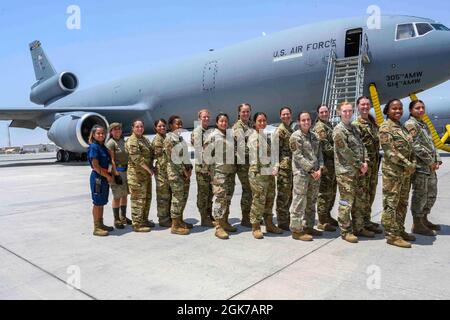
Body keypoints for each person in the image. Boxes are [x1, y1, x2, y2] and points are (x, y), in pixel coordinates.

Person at [379, 99, 416, 248]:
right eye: (394, 108)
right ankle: (391, 235)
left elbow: (410, 147)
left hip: (405, 173)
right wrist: (408, 163)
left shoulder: (402, 127)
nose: (398, 111)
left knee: (402, 202)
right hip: (393, 173)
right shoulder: (385, 127)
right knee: (391, 203)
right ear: (387, 110)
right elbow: (389, 151)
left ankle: (400, 229)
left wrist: (412, 162)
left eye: (400, 108)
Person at [333, 102, 371, 243]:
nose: (348, 113)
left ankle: (358, 227)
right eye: (345, 111)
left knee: (359, 201)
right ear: (339, 113)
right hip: (346, 173)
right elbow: (345, 152)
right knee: (346, 202)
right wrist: (360, 164)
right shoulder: (338, 130)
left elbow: (362, 146)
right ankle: (345, 231)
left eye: (350, 110)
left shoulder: (354, 128)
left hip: (358, 171)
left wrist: (365, 160)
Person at [404, 99, 441, 236]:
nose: (420, 110)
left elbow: (432, 143)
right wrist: (430, 160)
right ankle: (417, 224)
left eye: (422, 107)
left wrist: (437, 159)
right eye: (417, 108)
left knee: (431, 194)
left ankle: (424, 219)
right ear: (411, 110)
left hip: (430, 167)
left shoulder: (423, 124)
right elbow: (415, 146)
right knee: (420, 194)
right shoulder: (410, 124)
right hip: (420, 167)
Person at [248, 112, 283, 239]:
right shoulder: (253, 137)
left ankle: (269, 224)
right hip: (258, 175)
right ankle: (256, 226)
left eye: (264, 120)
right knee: (258, 201)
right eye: (259, 121)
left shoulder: (265, 137)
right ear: (254, 123)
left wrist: (275, 166)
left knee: (269, 199)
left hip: (268, 174)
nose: (262, 123)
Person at [289, 112, 323, 241]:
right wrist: (311, 170)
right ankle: (296, 230)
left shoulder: (314, 136)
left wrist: (320, 168)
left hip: (315, 174)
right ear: (299, 121)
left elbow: (319, 154)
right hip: (301, 175)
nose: (306, 122)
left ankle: (308, 226)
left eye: (308, 119)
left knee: (311, 201)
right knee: (299, 202)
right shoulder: (295, 137)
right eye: (303, 120)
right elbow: (298, 156)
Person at [352, 97, 383, 234]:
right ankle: (358, 226)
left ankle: (366, 220)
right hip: (363, 167)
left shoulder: (372, 123)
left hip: (374, 166)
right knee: (361, 196)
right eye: (362, 104)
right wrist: (360, 163)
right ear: (358, 106)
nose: (365, 106)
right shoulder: (356, 124)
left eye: (367, 104)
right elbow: (355, 146)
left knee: (370, 194)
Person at [204, 113, 237, 239]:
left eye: (225, 121)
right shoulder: (213, 136)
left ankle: (225, 222)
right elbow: (206, 154)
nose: (224, 123)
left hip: (230, 173)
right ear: (217, 123)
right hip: (219, 173)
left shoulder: (229, 136)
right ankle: (218, 227)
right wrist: (208, 170)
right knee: (220, 200)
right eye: (221, 121)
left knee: (227, 199)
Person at [164, 115, 193, 235]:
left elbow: (185, 156)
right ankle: (175, 225)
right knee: (177, 199)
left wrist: (189, 167)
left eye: (181, 124)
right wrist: (184, 170)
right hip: (176, 174)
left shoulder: (180, 139)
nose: (180, 126)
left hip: (184, 173)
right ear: (171, 126)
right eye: (177, 124)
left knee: (183, 198)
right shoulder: (169, 140)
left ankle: (180, 220)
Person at [125, 119, 154, 233]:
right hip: (136, 176)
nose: (139, 128)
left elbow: (150, 154)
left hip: (145, 176)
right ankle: (137, 224)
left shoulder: (144, 139)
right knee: (138, 200)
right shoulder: (133, 140)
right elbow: (137, 159)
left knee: (147, 198)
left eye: (141, 126)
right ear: (132, 128)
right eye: (137, 126)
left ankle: (144, 220)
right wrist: (149, 170)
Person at [313, 105, 338, 232]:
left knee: (332, 192)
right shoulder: (320, 127)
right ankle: (322, 220)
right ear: (318, 114)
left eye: (326, 112)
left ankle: (327, 215)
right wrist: (340, 153)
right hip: (326, 166)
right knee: (324, 193)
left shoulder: (328, 125)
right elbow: (325, 146)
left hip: (333, 165)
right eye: (321, 112)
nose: (324, 114)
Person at [87, 125, 114, 236]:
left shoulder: (103, 147)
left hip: (104, 177)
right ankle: (96, 227)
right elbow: (95, 166)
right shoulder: (94, 147)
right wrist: (107, 176)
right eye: (98, 133)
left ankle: (101, 224)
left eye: (103, 133)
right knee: (97, 202)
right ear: (93, 135)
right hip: (98, 178)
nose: (101, 135)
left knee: (102, 202)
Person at [191, 109, 215, 227]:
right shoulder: (197, 132)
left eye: (207, 117)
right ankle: (203, 217)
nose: (206, 119)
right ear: (199, 118)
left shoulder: (208, 131)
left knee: (210, 193)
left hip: (210, 169)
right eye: (204, 117)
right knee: (203, 194)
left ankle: (209, 215)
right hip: (202, 169)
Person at [232, 103, 254, 227]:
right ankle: (245, 218)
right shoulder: (238, 127)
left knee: (251, 190)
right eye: (243, 112)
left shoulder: (250, 125)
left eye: (247, 111)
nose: (246, 114)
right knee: (247, 190)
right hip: (242, 164)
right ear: (239, 113)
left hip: (250, 163)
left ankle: (250, 215)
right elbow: (241, 148)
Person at [106, 123, 131, 229]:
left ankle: (123, 217)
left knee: (124, 195)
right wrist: (115, 174)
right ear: (111, 131)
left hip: (126, 171)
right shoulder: (111, 143)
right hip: (117, 172)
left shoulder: (122, 141)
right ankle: (116, 220)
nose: (118, 131)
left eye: (119, 129)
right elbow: (111, 161)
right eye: (115, 129)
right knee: (117, 196)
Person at [272, 106, 294, 231]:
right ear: (280, 116)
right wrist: (276, 166)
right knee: (283, 195)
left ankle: (286, 217)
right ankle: (282, 220)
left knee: (289, 194)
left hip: (291, 168)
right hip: (284, 168)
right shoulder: (280, 131)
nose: (286, 116)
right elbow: (275, 151)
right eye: (284, 114)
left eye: (288, 114)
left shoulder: (289, 129)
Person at [152, 119, 172, 228]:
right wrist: (153, 168)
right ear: (156, 127)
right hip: (161, 173)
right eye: (159, 126)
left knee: (168, 196)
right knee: (162, 197)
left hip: (168, 172)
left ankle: (168, 217)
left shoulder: (166, 138)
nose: (162, 128)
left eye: (163, 126)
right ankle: (163, 219)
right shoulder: (157, 140)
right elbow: (153, 156)